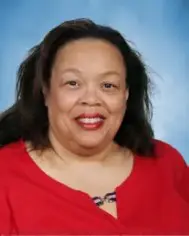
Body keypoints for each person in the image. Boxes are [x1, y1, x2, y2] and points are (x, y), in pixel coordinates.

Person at [0, 18, 188, 235]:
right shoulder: (5, 175)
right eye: (73, 83)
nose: (91, 99)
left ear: (126, 94)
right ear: (45, 91)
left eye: (108, 85)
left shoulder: (167, 162)